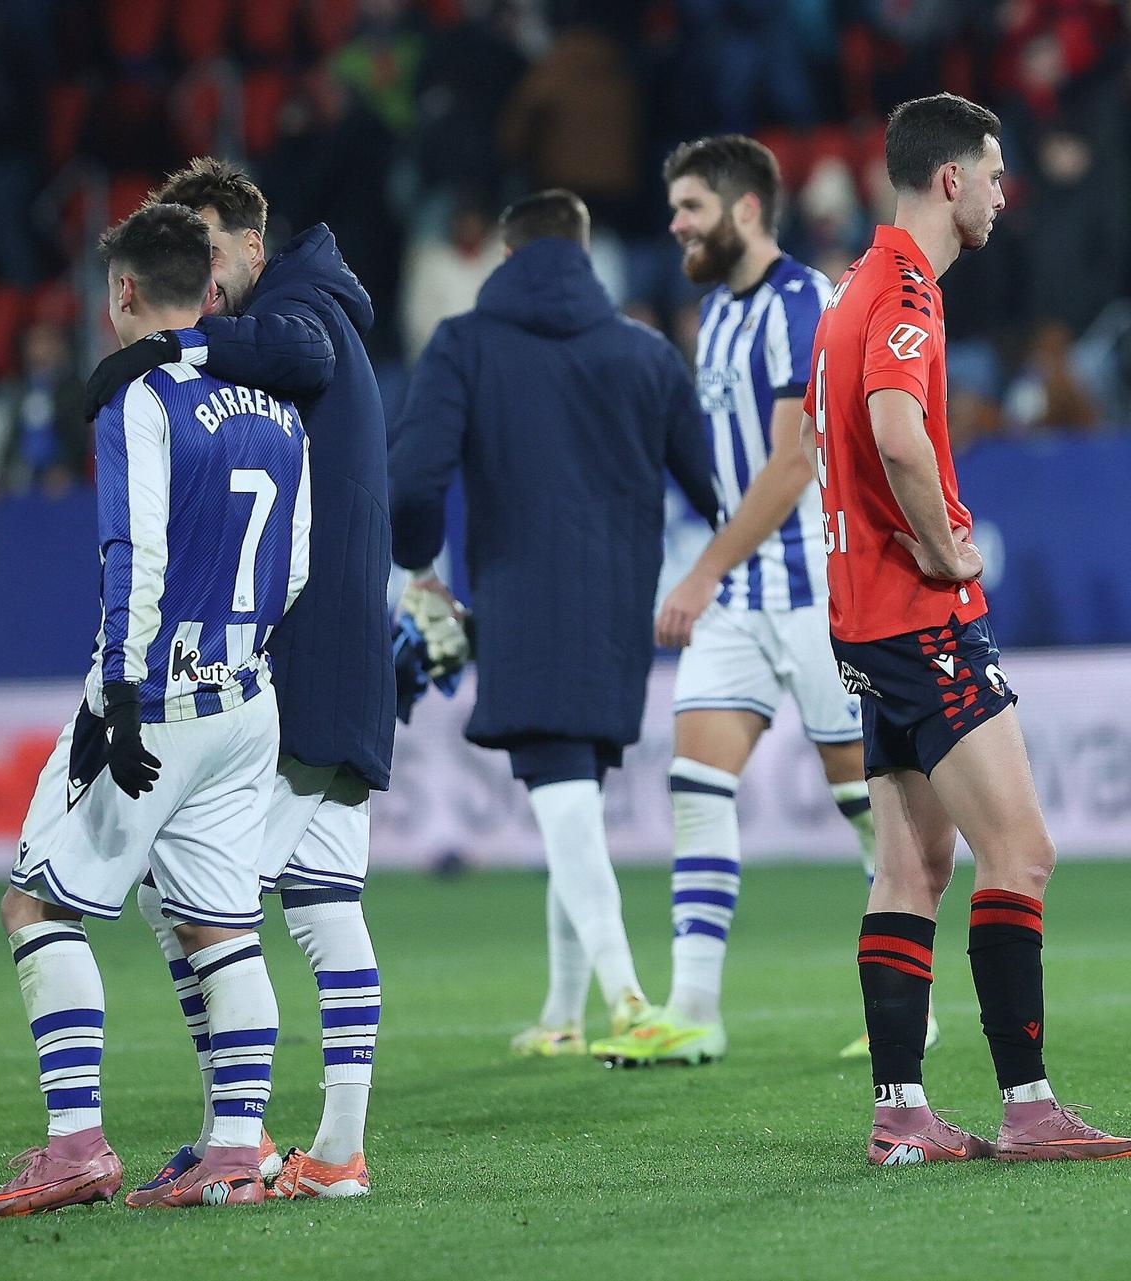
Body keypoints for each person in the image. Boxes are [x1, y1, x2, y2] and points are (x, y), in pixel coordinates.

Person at [805, 93, 1131, 1166]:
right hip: (919, 620)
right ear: (949, 180)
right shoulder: (904, 289)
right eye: (993, 172)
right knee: (1021, 853)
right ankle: (1028, 1103)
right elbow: (896, 437)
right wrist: (947, 551)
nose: (1004, 190)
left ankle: (901, 1115)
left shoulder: (852, 290)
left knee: (912, 865)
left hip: (862, 626)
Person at [0, 203, 311, 1216]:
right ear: (210, 288)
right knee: (223, 929)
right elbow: (293, 567)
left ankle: (74, 1143)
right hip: (246, 697)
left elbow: (134, 553)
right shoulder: (279, 406)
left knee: (37, 903)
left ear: (120, 291)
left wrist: (121, 696)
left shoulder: (141, 397)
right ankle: (237, 1150)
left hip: (153, 696)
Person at [85, 158, 399, 1201]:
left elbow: (293, 349)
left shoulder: (305, 309)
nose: (205, 287)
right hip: (342, 660)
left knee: (188, 902)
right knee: (322, 902)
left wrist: (166, 342)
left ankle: (239, 1135)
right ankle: (338, 1151)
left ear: (254, 246)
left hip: (302, 668)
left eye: (212, 260)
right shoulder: (319, 309)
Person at [587, 135, 932, 1069]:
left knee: (872, 805)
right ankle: (695, 1009)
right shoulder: (717, 312)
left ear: (743, 211)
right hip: (743, 593)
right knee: (697, 785)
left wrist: (698, 570)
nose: (676, 226)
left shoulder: (797, 304)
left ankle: (916, 1004)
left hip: (817, 587)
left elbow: (794, 463)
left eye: (690, 207)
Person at [388, 189, 717, 1057]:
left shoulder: (465, 343)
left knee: (565, 802)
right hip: (619, 610)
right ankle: (563, 1012)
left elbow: (413, 481)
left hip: (522, 605)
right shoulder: (646, 354)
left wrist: (421, 572)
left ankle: (628, 1000)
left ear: (505, 258)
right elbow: (720, 487)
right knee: (571, 800)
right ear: (584, 256)